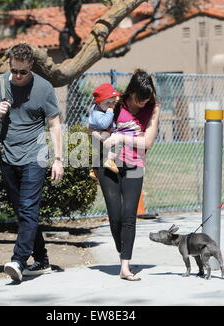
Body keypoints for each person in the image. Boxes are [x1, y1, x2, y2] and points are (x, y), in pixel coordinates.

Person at [0, 43, 64, 282]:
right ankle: (42, 259)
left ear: (31, 67)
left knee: (28, 208)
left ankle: (18, 260)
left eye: (22, 72)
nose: (17, 76)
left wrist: (58, 160)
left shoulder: (44, 87)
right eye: (14, 70)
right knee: (23, 212)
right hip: (7, 156)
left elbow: (55, 124)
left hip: (34, 156)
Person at [95, 69, 160, 281]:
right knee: (115, 216)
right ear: (130, 92)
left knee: (129, 215)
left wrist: (121, 138)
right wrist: (105, 138)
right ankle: (123, 248)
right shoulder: (116, 103)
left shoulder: (153, 109)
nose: (142, 103)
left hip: (134, 165)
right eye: (139, 99)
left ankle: (125, 266)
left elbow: (147, 142)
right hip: (108, 163)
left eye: (146, 99)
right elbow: (92, 125)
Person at [88, 83, 121, 175]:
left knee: (99, 152)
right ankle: (110, 160)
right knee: (117, 143)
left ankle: (94, 171)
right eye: (107, 103)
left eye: (113, 102)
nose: (111, 105)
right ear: (98, 103)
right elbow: (104, 124)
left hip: (99, 135)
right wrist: (110, 112)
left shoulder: (99, 108)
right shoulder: (97, 113)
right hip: (102, 134)